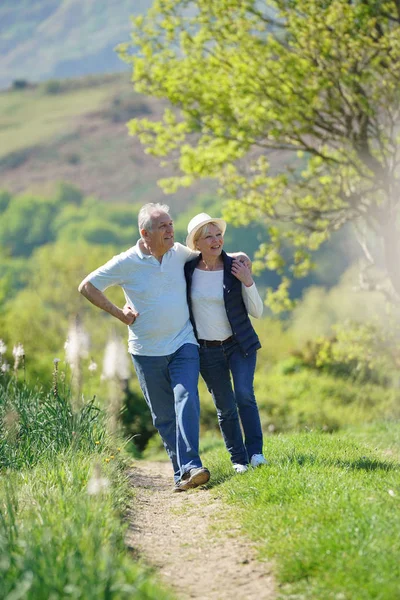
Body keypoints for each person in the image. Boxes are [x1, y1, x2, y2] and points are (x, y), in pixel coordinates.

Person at [78, 203, 210, 492]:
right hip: (146, 351)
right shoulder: (127, 262)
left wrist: (238, 260)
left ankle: (192, 465)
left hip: (183, 342)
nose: (170, 230)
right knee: (163, 416)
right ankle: (182, 473)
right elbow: (87, 286)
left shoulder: (179, 253)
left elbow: (210, 256)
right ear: (145, 233)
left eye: (171, 224)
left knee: (187, 397)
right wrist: (119, 313)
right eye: (163, 226)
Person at [184, 213, 267, 474]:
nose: (215, 240)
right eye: (208, 236)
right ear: (196, 243)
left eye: (218, 234)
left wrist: (247, 280)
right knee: (225, 406)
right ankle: (238, 459)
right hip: (207, 350)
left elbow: (257, 312)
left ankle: (256, 454)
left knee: (244, 395)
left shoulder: (236, 266)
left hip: (238, 345)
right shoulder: (187, 270)